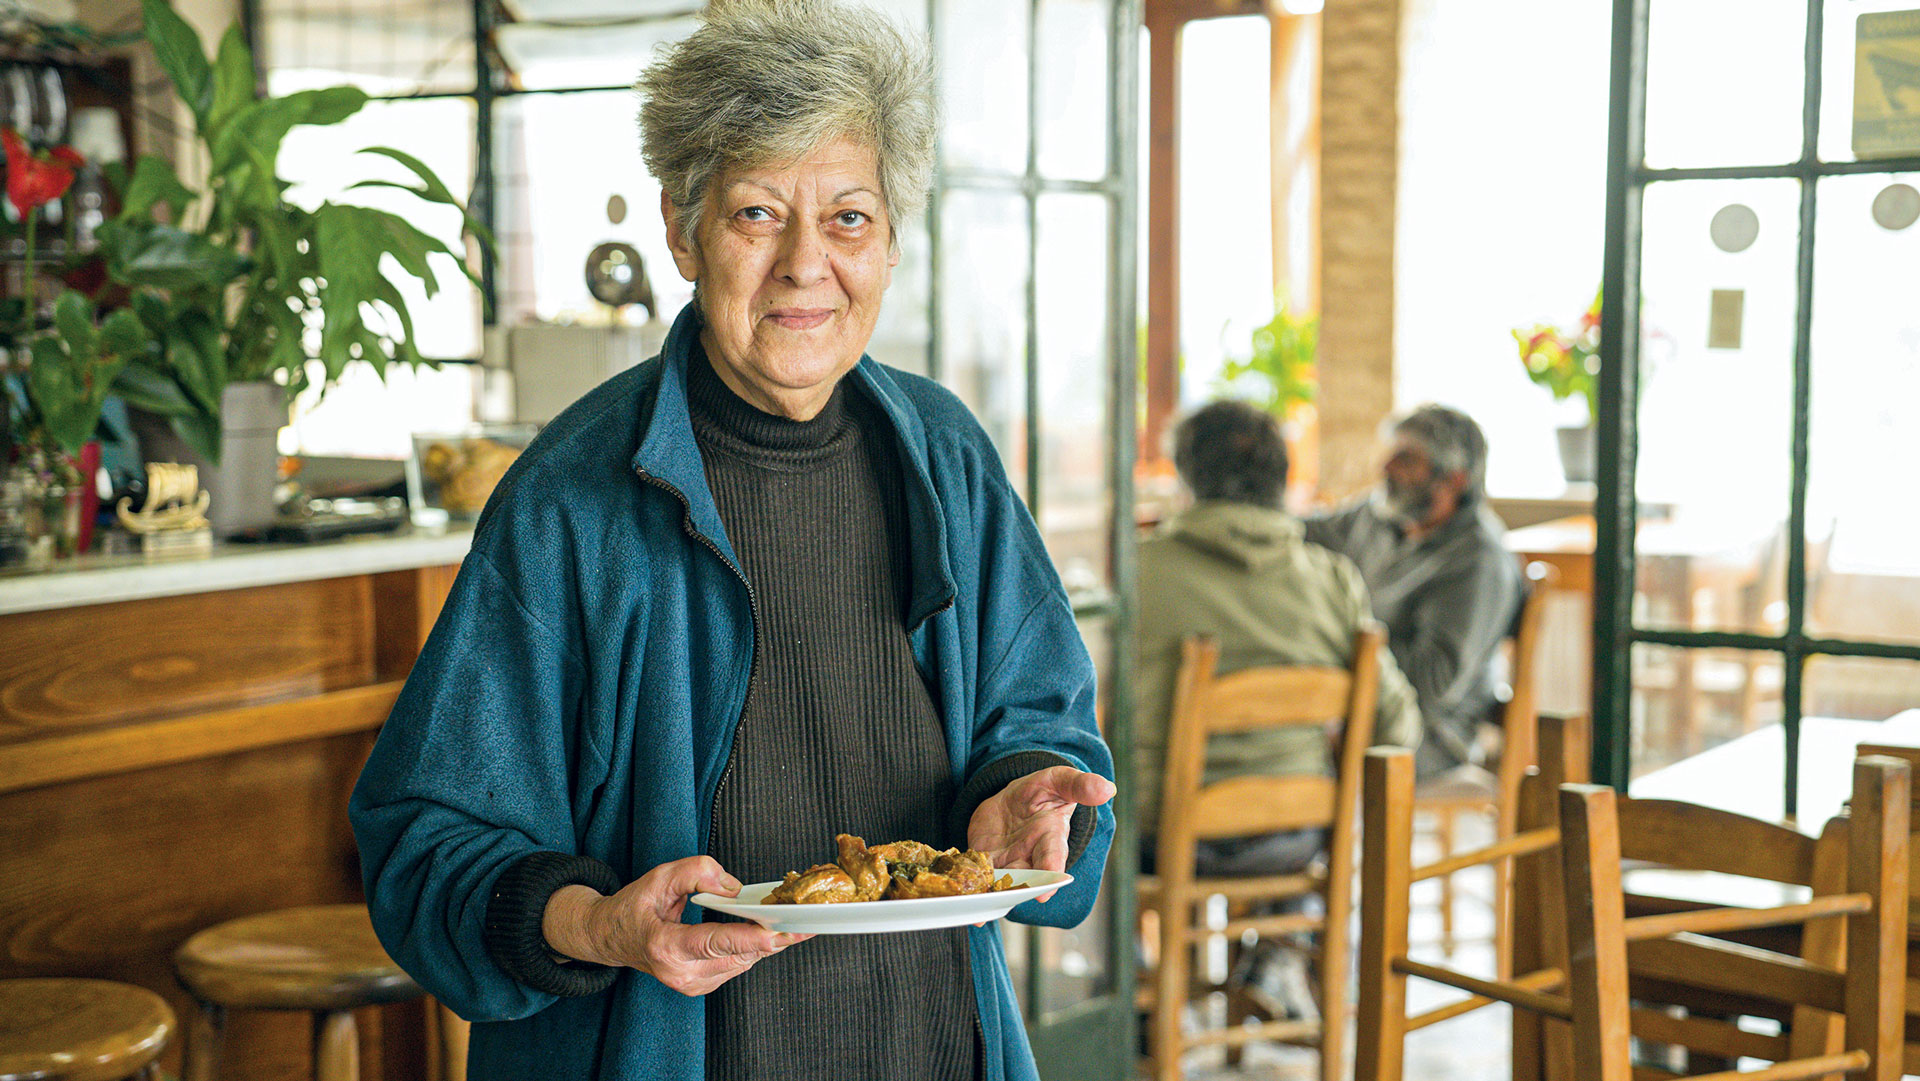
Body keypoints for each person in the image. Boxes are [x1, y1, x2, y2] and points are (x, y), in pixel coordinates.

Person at [347, 3, 1117, 1079]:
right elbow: (422, 849)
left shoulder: (946, 455)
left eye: (848, 218)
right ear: (681, 228)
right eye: (758, 213)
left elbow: (1040, 728)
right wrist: (601, 923)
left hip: (934, 1041)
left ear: (891, 240)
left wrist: (1031, 797)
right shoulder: (570, 498)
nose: (807, 265)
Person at [1134, 401, 1420, 1018]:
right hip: (1294, 838)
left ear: (1185, 475)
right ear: (1282, 480)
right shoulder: (1331, 579)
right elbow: (1399, 725)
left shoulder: (1140, 573)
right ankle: (1277, 953)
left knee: (1081, 822)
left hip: (1159, 834)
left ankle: (1141, 989)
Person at [1304, 404, 1521, 778]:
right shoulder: (1380, 518)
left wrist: (1337, 644)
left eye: (1405, 459)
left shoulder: (1478, 560)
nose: (1385, 468)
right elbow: (1301, 532)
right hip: (1362, 709)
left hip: (1431, 736)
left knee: (1293, 753)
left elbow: (1432, 682)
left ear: (1454, 480)